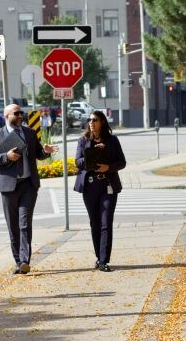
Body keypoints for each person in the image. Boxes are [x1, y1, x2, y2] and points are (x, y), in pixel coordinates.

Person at [0, 104, 58, 275]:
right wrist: (6, 156)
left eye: (21, 113)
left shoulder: (29, 133)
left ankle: (25, 261)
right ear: (6, 116)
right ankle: (18, 261)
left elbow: (39, 154)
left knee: (24, 223)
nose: (20, 116)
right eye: (16, 113)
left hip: (28, 185)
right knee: (13, 226)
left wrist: (46, 152)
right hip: (9, 186)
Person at [73, 110, 126, 272]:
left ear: (102, 121)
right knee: (95, 224)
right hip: (89, 186)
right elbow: (78, 162)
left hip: (108, 185)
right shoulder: (83, 140)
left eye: (94, 119)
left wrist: (108, 167)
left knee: (106, 223)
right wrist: (94, 152)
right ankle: (98, 256)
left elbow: (122, 162)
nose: (91, 122)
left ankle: (104, 260)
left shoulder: (112, 140)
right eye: (89, 120)